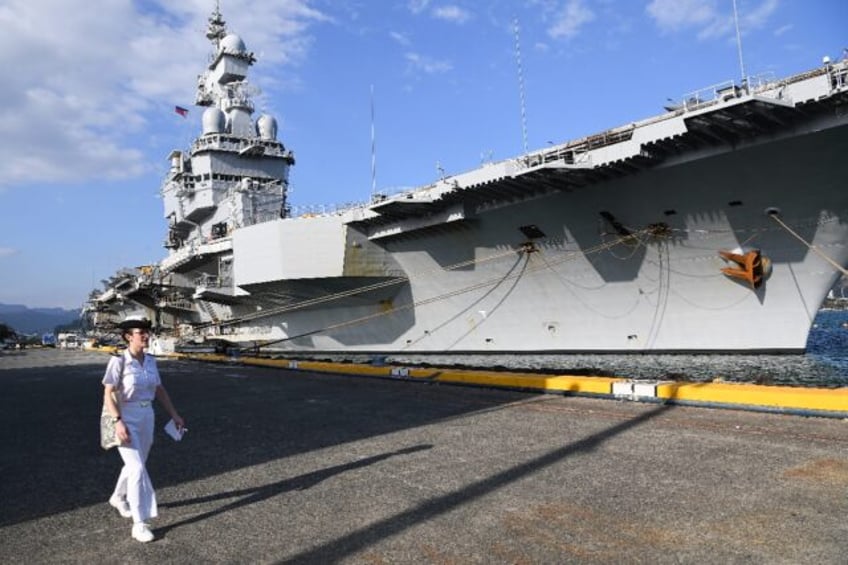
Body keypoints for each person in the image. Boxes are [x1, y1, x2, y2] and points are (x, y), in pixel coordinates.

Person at [102, 315, 185, 543]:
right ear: (129, 337)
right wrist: (117, 420)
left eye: (147, 332)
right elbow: (108, 393)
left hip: (147, 415)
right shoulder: (118, 362)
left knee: (136, 464)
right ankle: (140, 523)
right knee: (137, 468)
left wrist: (174, 414)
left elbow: (159, 390)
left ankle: (118, 497)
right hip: (125, 415)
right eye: (141, 332)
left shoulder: (150, 361)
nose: (146, 336)